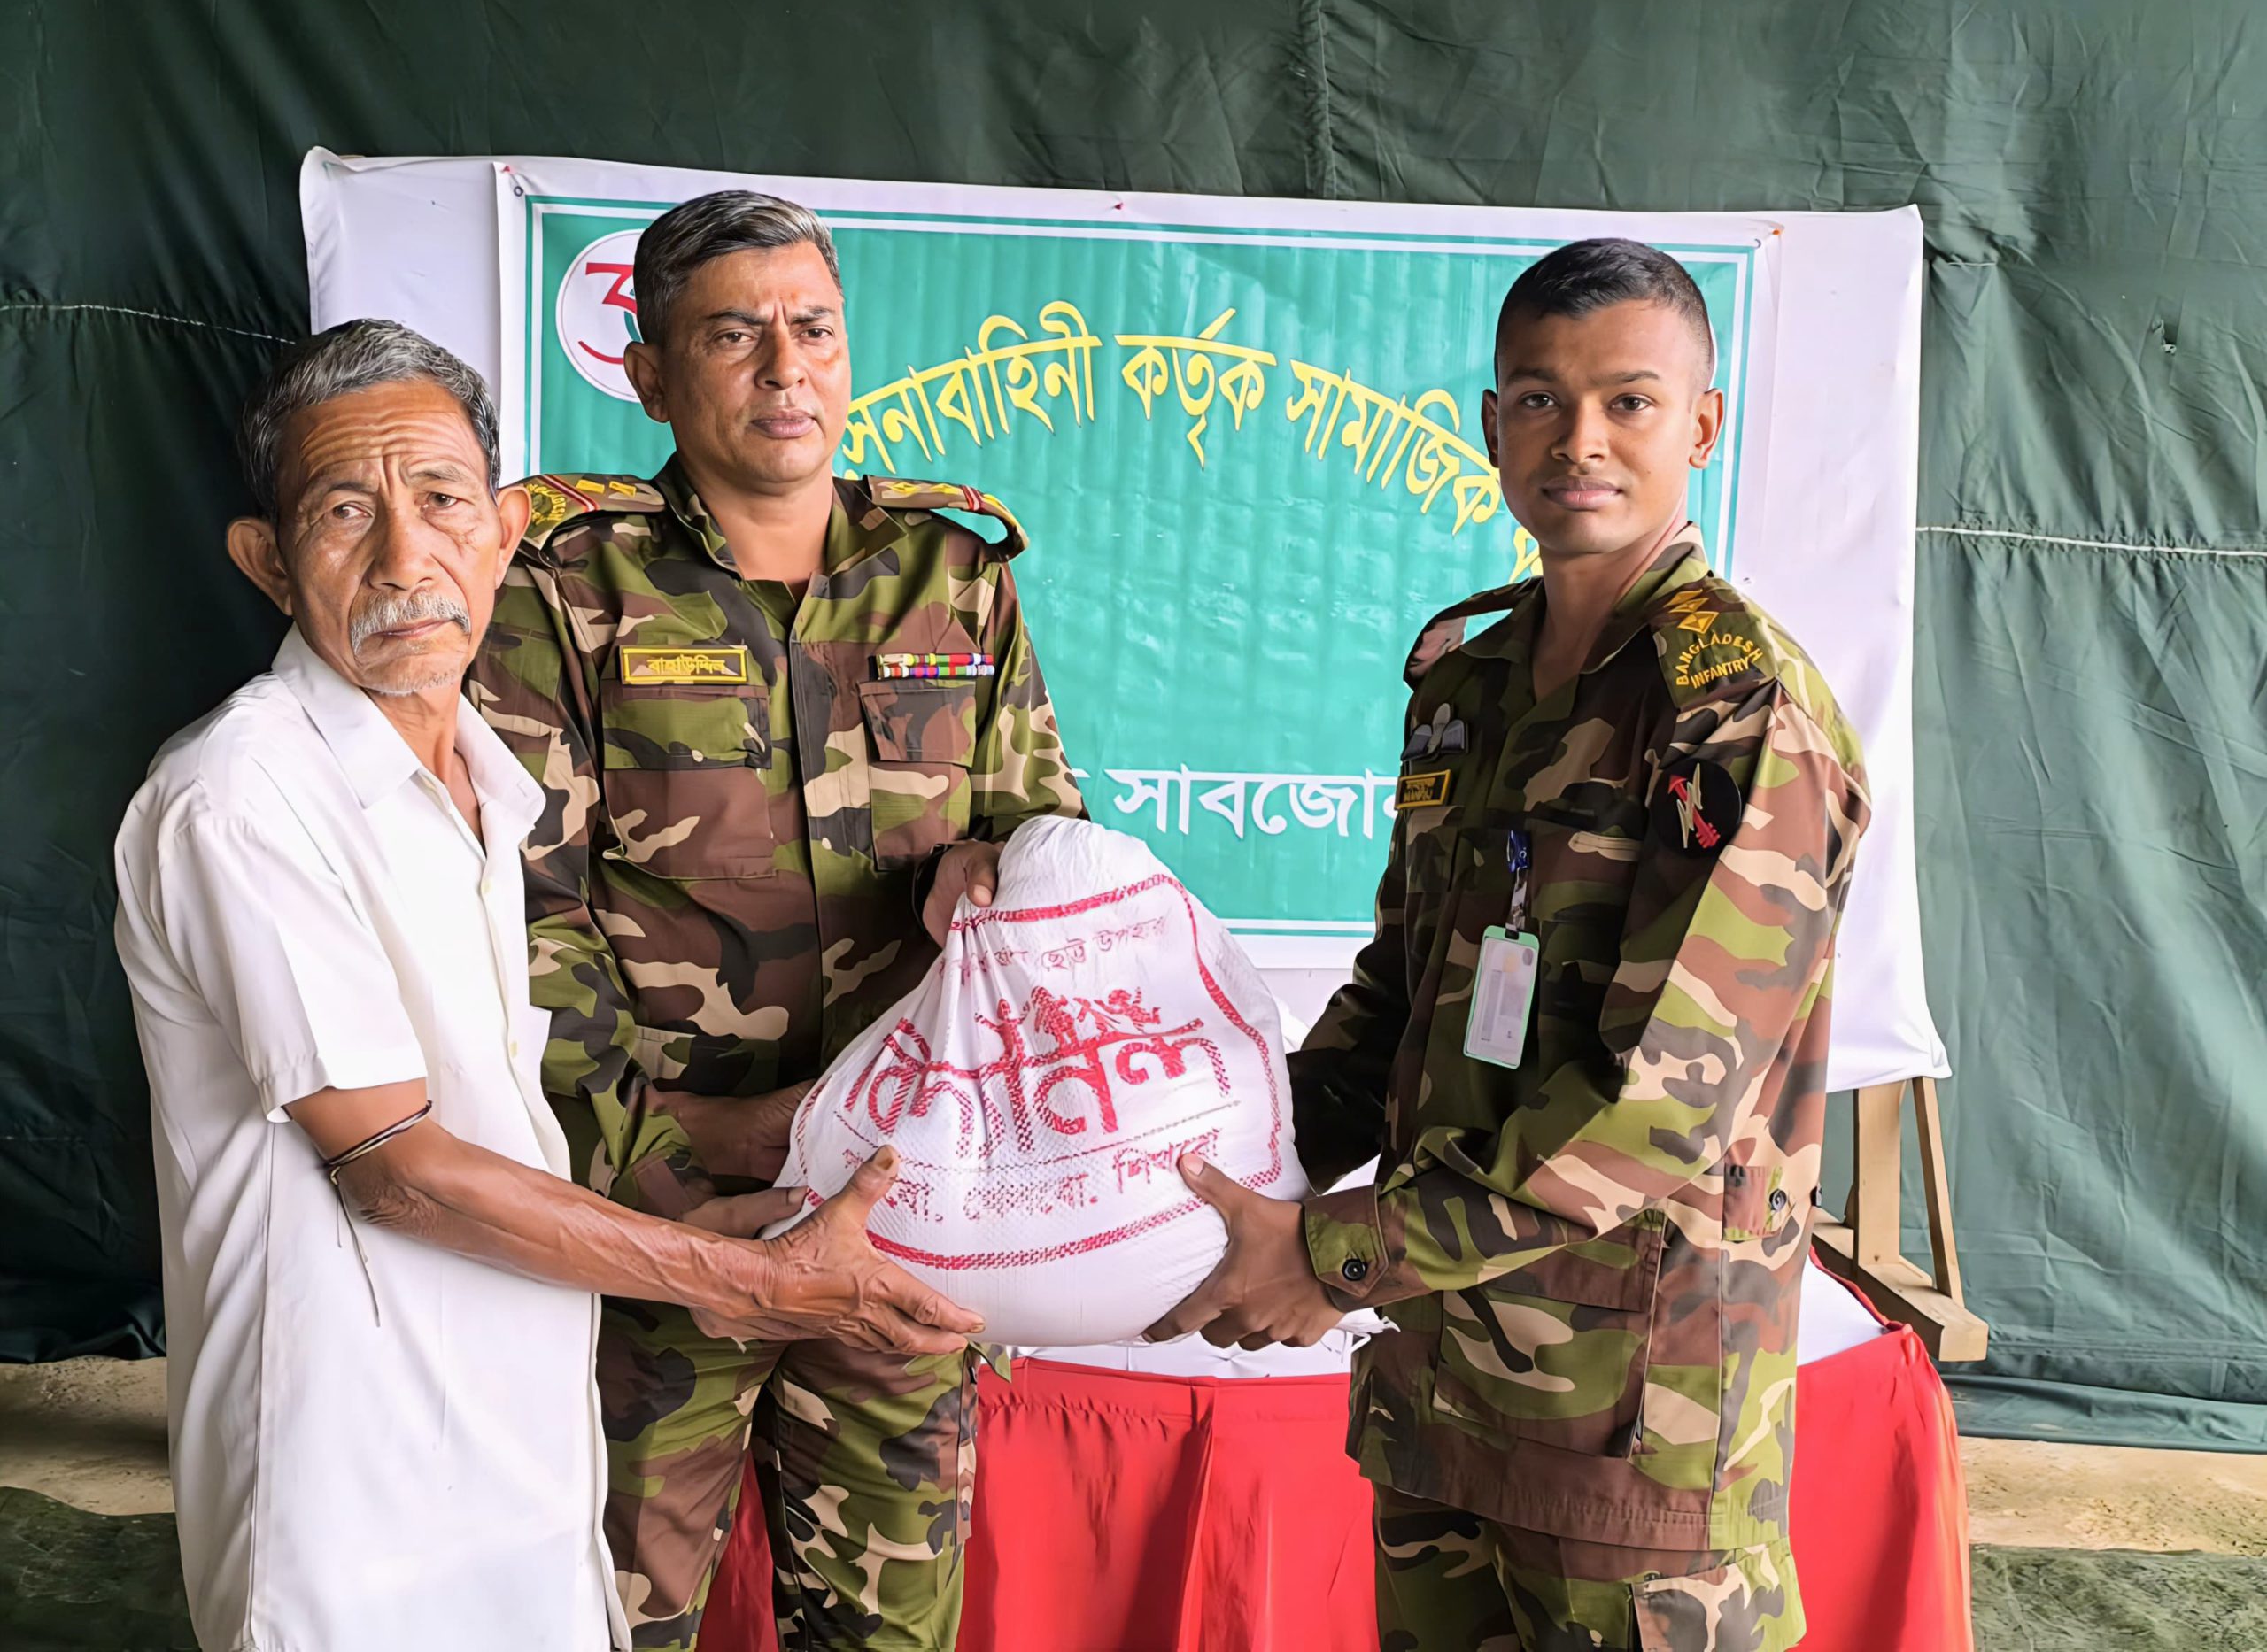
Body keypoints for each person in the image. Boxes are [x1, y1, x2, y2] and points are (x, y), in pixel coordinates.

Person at [112, 320, 979, 1652]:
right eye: (348, 514)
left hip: (519, 1450)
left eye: (443, 500)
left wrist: (758, 1138)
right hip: (348, 1486)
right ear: (269, 565)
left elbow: (485, 1111)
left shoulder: (485, 777)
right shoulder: (240, 796)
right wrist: (749, 1281)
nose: (408, 558)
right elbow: (394, 1164)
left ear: (506, 532)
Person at [1149, 238, 1871, 1652]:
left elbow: (1657, 1108)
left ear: (1702, 426)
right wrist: (1212, 1189)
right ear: (1491, 426)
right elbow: (1400, 995)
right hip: (1442, 1389)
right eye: (1540, 401)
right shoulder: (1469, 685)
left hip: (1633, 1426)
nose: (1580, 442)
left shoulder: (1735, 711)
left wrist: (1331, 1255)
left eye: (1630, 403)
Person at [469, 190, 1084, 1651]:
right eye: (733, 337)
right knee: (609, 1623)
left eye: (812, 330)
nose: (784, 370)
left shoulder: (956, 581)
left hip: (896, 1208)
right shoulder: (562, 593)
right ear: (650, 376)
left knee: (882, 1631)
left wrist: (1005, 862)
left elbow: (1045, 837)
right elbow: (521, 907)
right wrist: (663, 1158)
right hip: (651, 1213)